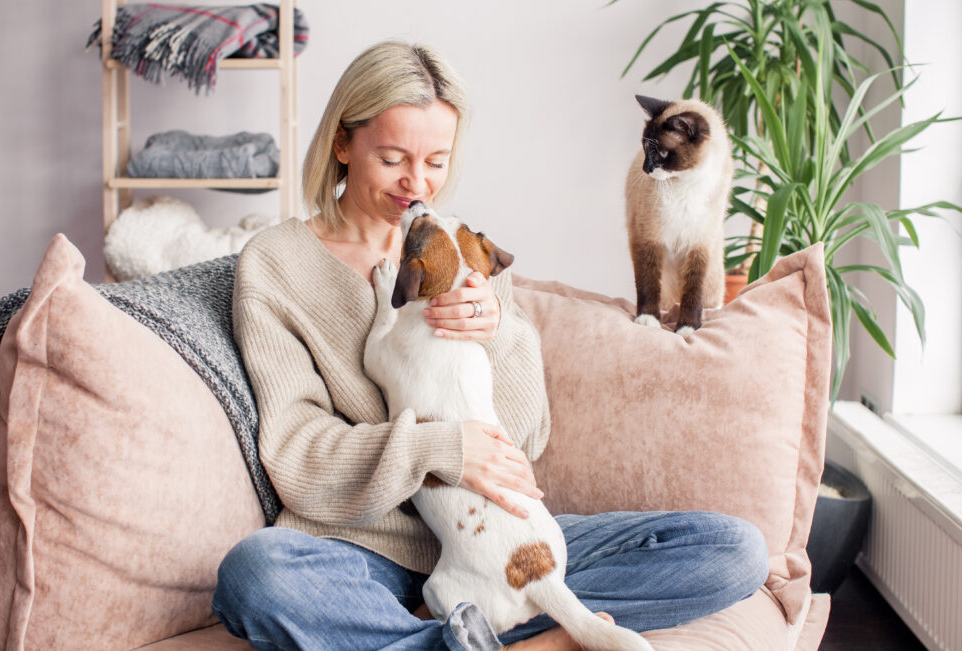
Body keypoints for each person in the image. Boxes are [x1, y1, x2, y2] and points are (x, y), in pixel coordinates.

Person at [212, 40, 769, 650]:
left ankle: (466, 634)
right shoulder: (276, 265)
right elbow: (297, 458)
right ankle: (542, 636)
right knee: (256, 574)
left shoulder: (464, 251)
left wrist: (496, 330)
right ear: (343, 144)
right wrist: (442, 448)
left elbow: (527, 437)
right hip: (363, 550)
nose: (416, 185)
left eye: (436, 162)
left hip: (501, 542)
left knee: (733, 550)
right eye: (394, 158)